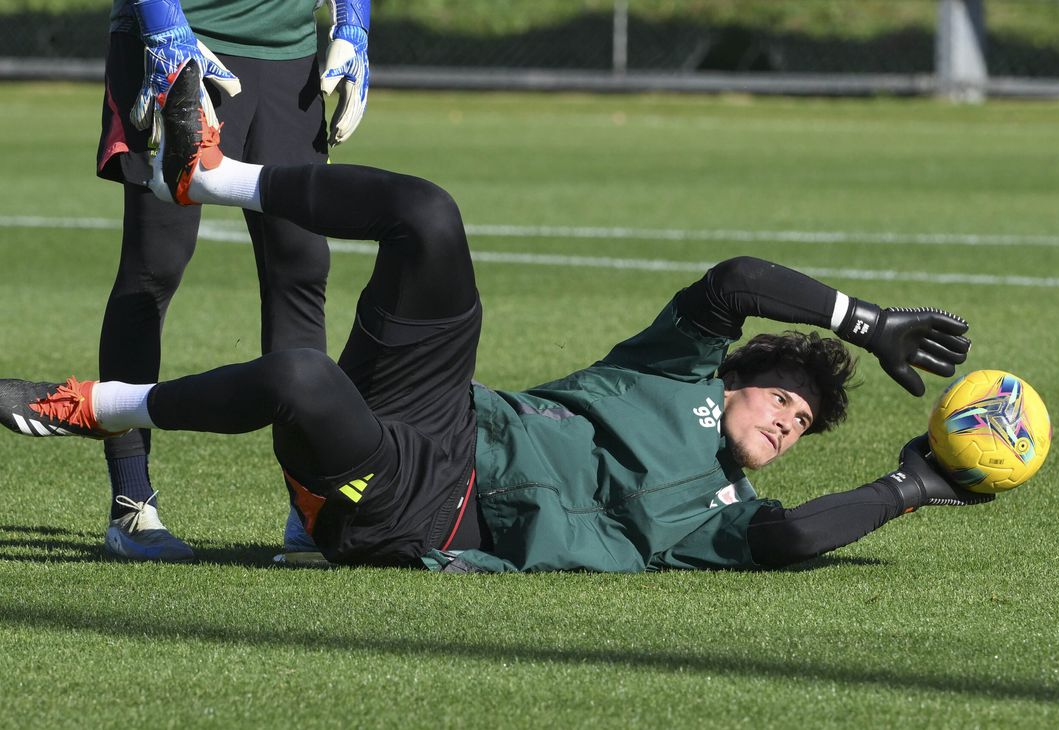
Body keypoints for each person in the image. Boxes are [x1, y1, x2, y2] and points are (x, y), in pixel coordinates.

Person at [1, 62, 991, 572]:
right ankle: (214, 176)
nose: (786, 422)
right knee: (429, 217)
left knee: (303, 377)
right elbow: (732, 279)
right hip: (448, 411)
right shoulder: (674, 368)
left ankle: (79, 405)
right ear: (731, 378)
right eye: (783, 397)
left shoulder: (723, 518)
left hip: (413, 508)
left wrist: (908, 485)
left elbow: (790, 542)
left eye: (801, 427)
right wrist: (865, 321)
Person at [95, 0, 371, 560]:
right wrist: (165, 32)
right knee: (156, 263)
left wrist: (353, 22)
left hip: (288, 54)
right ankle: (130, 504)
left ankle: (309, 502)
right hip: (178, 38)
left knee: (299, 262)